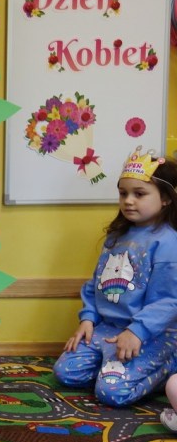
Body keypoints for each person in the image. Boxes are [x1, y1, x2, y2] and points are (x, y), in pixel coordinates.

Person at [53, 147, 177, 408]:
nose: (128, 201)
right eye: (123, 193)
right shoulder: (116, 237)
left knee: (112, 392)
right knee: (66, 373)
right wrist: (88, 319)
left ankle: (168, 363)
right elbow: (95, 284)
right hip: (108, 329)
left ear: (166, 198)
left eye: (139, 194)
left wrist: (137, 332)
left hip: (151, 334)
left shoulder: (168, 243)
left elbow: (168, 301)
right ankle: (113, 366)